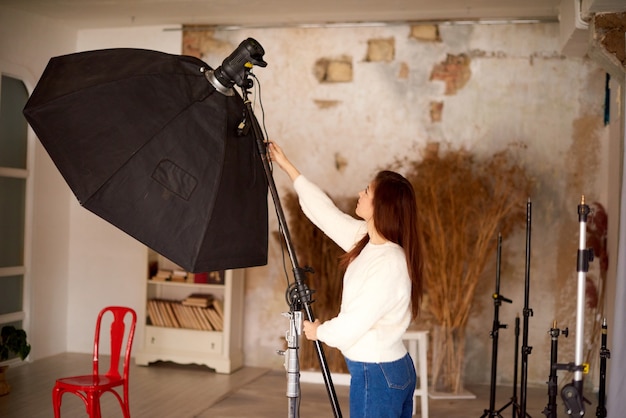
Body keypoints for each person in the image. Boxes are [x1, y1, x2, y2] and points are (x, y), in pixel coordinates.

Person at [268, 141, 423, 418]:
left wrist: (320, 332)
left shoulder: (389, 262)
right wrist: (287, 166)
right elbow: (325, 214)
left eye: (366, 192)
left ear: (381, 206)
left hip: (377, 373)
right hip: (384, 369)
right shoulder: (366, 240)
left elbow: (355, 321)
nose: (359, 194)